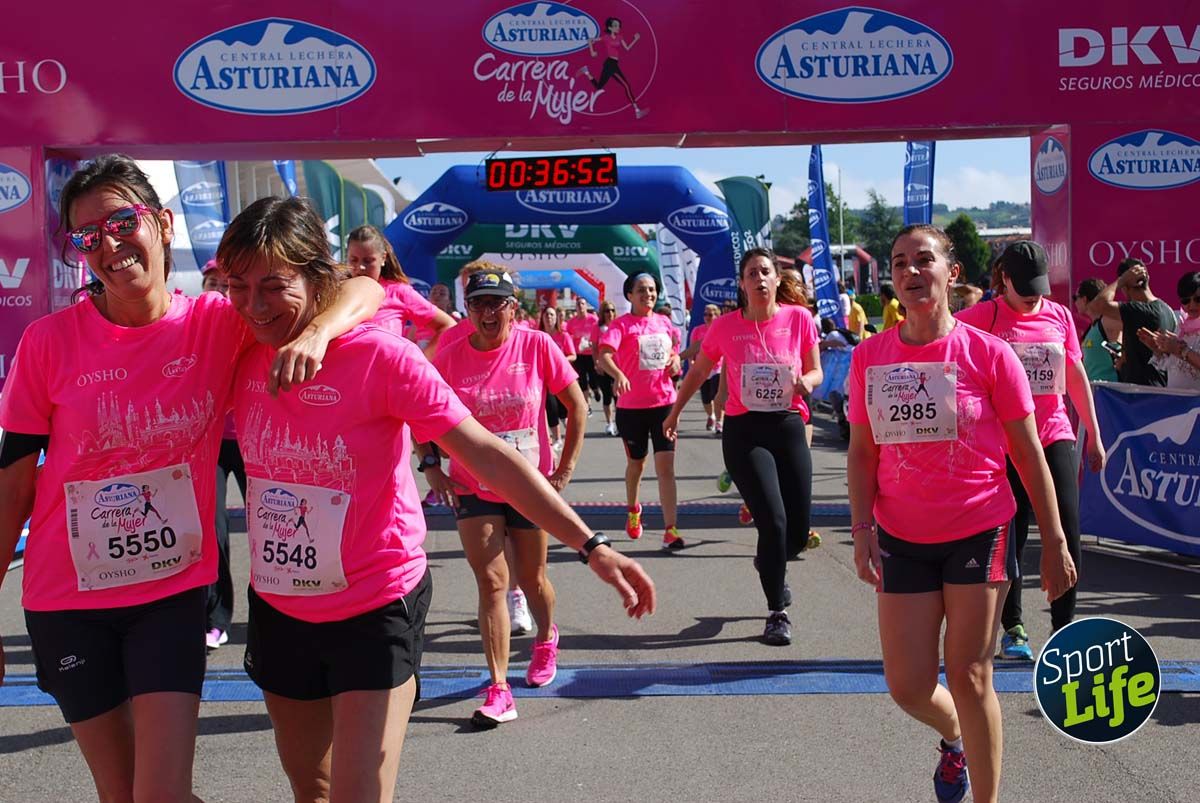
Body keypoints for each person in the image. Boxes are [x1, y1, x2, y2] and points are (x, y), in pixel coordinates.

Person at [218, 201, 650, 796]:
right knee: (310, 790)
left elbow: (490, 454)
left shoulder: (381, 356)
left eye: (274, 286)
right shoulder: (234, 345)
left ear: (317, 278)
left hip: (375, 604)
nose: (254, 306)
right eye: (238, 287)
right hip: (281, 607)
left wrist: (591, 543)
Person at [0, 155, 383, 802]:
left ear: (163, 222)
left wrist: (316, 335)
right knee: (122, 794)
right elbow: (12, 488)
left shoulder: (216, 322)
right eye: (87, 236)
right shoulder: (48, 342)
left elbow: (361, 289)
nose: (109, 245)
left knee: (157, 793)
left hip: (169, 594)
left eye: (123, 221)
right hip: (65, 599)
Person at [847, 224, 1076, 803]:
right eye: (899, 263)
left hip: (980, 527)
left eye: (924, 260)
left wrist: (1053, 540)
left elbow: (1028, 453)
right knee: (908, 686)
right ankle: (954, 742)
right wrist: (861, 528)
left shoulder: (989, 353)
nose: (910, 272)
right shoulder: (870, 357)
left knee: (972, 677)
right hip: (902, 533)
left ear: (952, 273)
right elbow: (861, 451)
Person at [424, 269, 589, 728]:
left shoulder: (536, 346)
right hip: (473, 485)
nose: (488, 312)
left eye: (498, 303)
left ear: (514, 308)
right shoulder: (451, 356)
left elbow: (577, 405)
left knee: (533, 580)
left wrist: (563, 471)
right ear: (468, 309)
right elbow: (421, 413)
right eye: (479, 304)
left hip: (527, 483)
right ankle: (499, 686)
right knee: (492, 582)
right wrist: (432, 465)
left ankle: (545, 638)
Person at [664, 248, 821, 645]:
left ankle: (768, 562)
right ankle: (776, 613)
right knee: (774, 521)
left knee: (797, 533)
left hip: (787, 424)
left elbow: (815, 368)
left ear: (775, 278)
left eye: (766, 272)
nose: (760, 279)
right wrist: (675, 413)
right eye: (752, 273)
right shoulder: (726, 328)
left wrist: (809, 382)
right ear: (743, 283)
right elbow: (699, 370)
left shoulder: (799, 319)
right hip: (745, 431)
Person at [957, 240, 1104, 660]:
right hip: (1004, 443)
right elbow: (940, 341)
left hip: (1054, 433)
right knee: (1012, 536)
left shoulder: (1058, 316)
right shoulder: (983, 317)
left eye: (1038, 285)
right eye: (1023, 286)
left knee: (1067, 532)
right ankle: (1014, 628)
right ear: (1003, 279)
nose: (1032, 295)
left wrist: (1094, 433)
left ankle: (1064, 631)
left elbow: (1075, 377)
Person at [596, 273, 684, 549]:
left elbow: (675, 352)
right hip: (632, 408)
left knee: (665, 467)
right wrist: (619, 374)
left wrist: (675, 361)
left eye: (652, 290)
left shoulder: (666, 324)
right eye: (642, 290)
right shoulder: (621, 325)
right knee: (637, 464)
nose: (648, 294)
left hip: (664, 404)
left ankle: (671, 529)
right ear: (630, 295)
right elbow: (604, 354)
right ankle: (634, 509)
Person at [346, 224, 455, 356]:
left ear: (383, 259)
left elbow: (447, 325)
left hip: (386, 375)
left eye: (368, 261)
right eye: (353, 260)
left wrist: (422, 361)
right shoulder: (337, 292)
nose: (360, 267)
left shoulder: (399, 292)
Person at [1087, 257, 1178, 385]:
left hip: (1142, 393)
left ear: (1126, 286)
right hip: (1159, 387)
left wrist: (1121, 280)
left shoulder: (1138, 310)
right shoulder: (1167, 310)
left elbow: (1097, 305)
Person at [1137, 271, 1200, 390]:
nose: (1192, 305)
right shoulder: (1182, 327)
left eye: (1198, 299)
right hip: (1178, 403)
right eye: (1186, 300)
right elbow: (1177, 366)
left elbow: (1182, 354)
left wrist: (1181, 350)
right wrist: (1158, 349)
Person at [578, 16, 648, 119]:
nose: (618, 27)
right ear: (610, 28)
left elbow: (627, 48)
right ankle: (637, 110)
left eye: (618, 26)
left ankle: (586, 71)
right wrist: (592, 51)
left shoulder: (620, 37)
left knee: (598, 87)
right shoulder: (606, 37)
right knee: (626, 85)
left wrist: (635, 40)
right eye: (615, 26)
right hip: (610, 64)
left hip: (612, 64)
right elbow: (590, 40)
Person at [679, 304, 724, 433]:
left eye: (710, 315)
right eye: (705, 314)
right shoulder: (698, 330)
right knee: (706, 399)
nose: (707, 317)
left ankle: (720, 422)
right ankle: (711, 416)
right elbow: (692, 349)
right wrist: (692, 363)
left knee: (717, 395)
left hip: (718, 368)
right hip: (703, 369)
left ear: (717, 316)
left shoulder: (721, 330)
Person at [539, 305, 577, 449]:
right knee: (551, 408)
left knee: (564, 411)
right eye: (546, 315)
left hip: (562, 379)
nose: (549, 318)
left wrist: (558, 361)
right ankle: (557, 438)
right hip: (545, 380)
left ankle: (572, 436)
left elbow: (573, 355)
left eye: (552, 315)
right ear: (542, 318)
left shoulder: (564, 336)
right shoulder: (538, 336)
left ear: (557, 318)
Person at [1074, 278, 1122, 383]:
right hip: (1095, 391)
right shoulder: (1093, 326)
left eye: (1075, 298)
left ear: (1084, 299)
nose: (1075, 302)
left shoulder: (1107, 321)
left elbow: (1134, 326)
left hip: (1110, 392)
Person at [565, 297, 601, 408]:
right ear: (576, 307)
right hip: (578, 355)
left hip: (591, 353)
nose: (580, 306)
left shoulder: (594, 320)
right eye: (578, 304)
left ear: (586, 306)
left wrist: (592, 343)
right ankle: (587, 404)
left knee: (593, 377)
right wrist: (574, 338)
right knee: (582, 380)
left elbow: (600, 335)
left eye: (583, 304)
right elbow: (568, 337)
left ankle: (595, 389)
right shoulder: (571, 323)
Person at [591, 300, 620, 436]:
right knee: (607, 395)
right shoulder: (597, 327)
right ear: (603, 313)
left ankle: (620, 423)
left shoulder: (618, 326)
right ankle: (609, 423)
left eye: (612, 310)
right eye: (607, 310)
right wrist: (597, 363)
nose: (610, 313)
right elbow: (595, 347)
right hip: (603, 367)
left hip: (618, 367)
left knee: (618, 396)